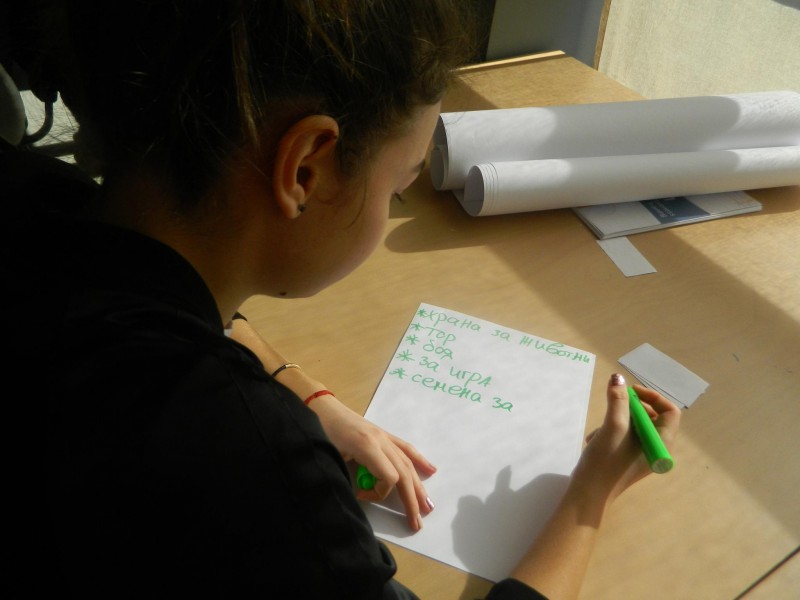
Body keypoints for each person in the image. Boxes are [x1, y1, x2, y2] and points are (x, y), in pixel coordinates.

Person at [1, 1, 681, 598]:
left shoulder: (36, 198)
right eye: (399, 188)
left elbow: (182, 305)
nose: (394, 208)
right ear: (305, 168)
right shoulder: (247, 458)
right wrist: (590, 493)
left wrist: (309, 394)